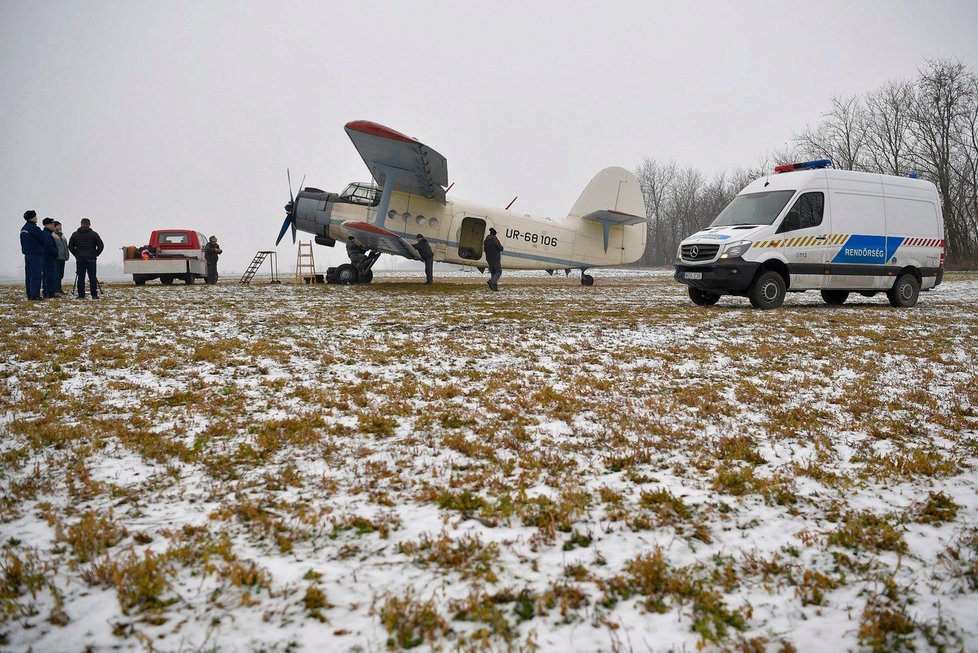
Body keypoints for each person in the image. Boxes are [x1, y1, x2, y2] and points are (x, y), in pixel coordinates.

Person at [68, 217, 104, 299]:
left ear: (81, 224)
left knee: (80, 277)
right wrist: (96, 254)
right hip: (91, 258)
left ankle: (81, 295)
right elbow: (101, 245)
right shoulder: (94, 234)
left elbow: (70, 246)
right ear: (89, 224)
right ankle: (94, 295)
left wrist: (76, 254)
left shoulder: (75, 234)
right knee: (92, 277)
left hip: (80, 258)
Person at [19, 210, 45, 300]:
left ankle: (30, 294)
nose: (37, 218)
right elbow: (43, 239)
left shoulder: (24, 228)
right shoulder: (34, 228)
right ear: (32, 217)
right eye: (35, 216)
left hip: (27, 254)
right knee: (36, 275)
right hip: (36, 254)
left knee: (29, 275)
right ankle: (35, 295)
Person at [40, 218, 60, 298]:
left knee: (49, 275)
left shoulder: (48, 234)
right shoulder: (46, 234)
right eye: (52, 224)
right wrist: (55, 253)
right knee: (49, 275)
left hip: (48, 258)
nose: (53, 226)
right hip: (48, 258)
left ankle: (49, 291)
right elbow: (48, 247)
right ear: (46, 225)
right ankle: (49, 292)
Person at [483, 227, 504, 291]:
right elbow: (500, 248)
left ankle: (494, 288)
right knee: (498, 271)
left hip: (488, 258)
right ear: (494, 233)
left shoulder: (486, 240)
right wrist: (501, 247)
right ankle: (491, 281)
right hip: (495, 258)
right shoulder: (494, 239)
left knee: (493, 272)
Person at [53, 221, 70, 295]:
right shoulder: (53, 235)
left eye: (61, 226)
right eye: (59, 226)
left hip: (63, 257)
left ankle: (59, 288)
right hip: (56, 257)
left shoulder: (63, 236)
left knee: (60, 274)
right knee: (56, 274)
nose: (60, 227)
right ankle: (56, 289)